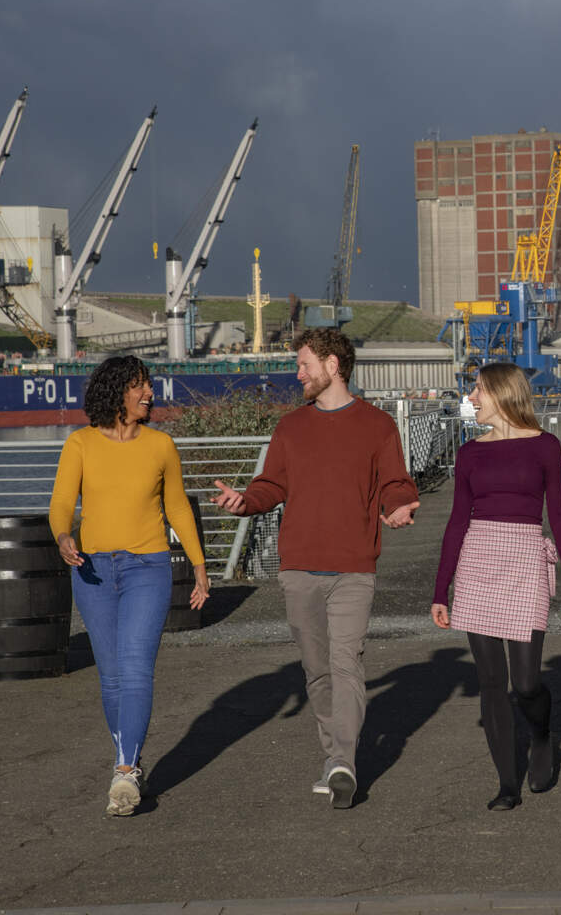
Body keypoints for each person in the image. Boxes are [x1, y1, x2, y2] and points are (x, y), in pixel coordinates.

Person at [211, 328, 419, 809]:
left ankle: (343, 761)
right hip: (299, 568)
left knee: (347, 665)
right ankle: (334, 758)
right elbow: (270, 487)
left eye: (304, 364)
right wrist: (244, 502)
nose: (297, 373)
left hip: (353, 568)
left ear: (333, 364)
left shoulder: (377, 425)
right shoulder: (290, 428)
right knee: (317, 672)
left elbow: (394, 482)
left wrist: (402, 503)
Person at [49, 355, 210, 817]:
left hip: (148, 568)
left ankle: (124, 773)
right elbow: (61, 504)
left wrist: (199, 564)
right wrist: (63, 538)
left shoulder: (161, 445)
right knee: (112, 676)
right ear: (116, 391)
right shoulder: (79, 444)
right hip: (93, 571)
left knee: (137, 668)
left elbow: (178, 507)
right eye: (140, 386)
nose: (149, 394)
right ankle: (130, 758)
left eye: (150, 386)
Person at [431, 362, 561, 811]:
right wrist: (441, 590)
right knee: (491, 681)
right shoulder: (470, 453)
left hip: (524, 560)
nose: (472, 398)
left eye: (478, 390)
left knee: (527, 682)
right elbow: (457, 521)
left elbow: (558, 513)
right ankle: (507, 785)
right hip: (477, 560)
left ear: (501, 393)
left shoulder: (545, 447)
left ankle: (541, 735)